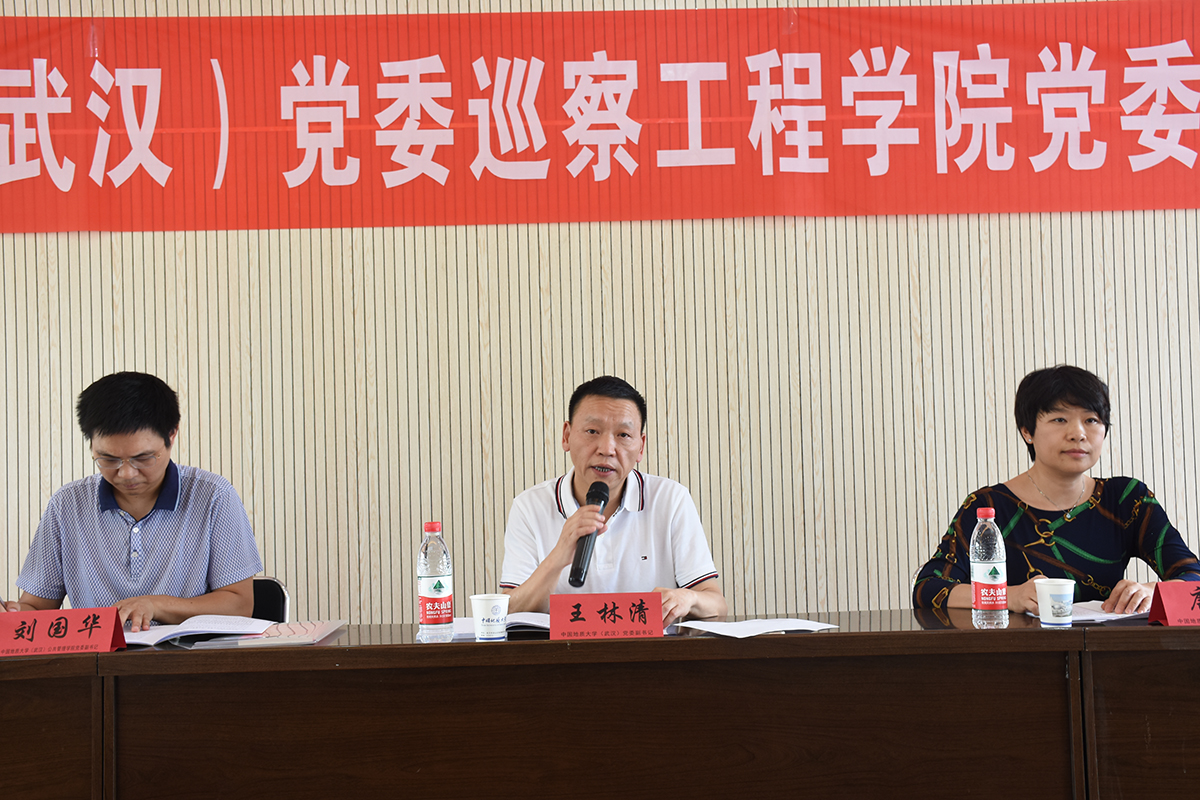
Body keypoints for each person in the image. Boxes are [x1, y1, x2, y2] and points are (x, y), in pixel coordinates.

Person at [913, 365, 1200, 615]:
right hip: (1016, 654)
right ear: (1027, 431)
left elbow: (1193, 578)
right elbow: (928, 588)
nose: (1078, 433)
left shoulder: (1127, 499)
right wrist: (1009, 596)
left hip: (1103, 654)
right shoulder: (989, 506)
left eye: (1091, 420)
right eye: (1060, 419)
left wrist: (1153, 591)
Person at [3, 371, 263, 631]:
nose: (126, 473)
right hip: (97, 656)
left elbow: (239, 604)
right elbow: (36, 608)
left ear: (171, 434)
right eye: (108, 459)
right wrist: (12, 614)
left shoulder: (213, 496)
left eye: (143, 458)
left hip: (186, 654)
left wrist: (156, 605)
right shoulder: (67, 505)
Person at [500, 376, 727, 624]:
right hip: (563, 649)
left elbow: (717, 605)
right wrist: (558, 556)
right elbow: (507, 611)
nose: (607, 449)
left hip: (651, 649)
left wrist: (688, 599)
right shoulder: (529, 506)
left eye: (623, 435)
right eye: (592, 431)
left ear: (641, 447)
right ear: (566, 436)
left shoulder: (671, 500)